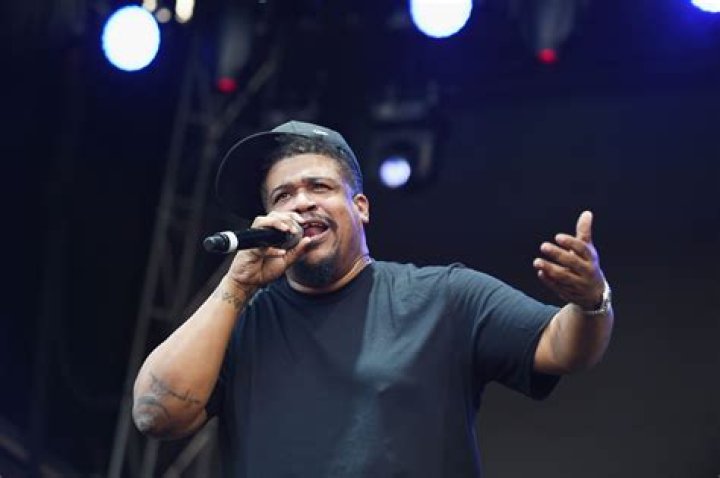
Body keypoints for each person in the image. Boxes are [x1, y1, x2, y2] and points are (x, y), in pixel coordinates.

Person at [132, 120, 614, 477]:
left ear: (360, 207)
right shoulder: (241, 321)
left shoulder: (444, 297)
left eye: (319, 187)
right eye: (282, 196)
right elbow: (155, 414)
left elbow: (561, 347)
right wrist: (236, 286)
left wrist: (592, 300)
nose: (301, 203)